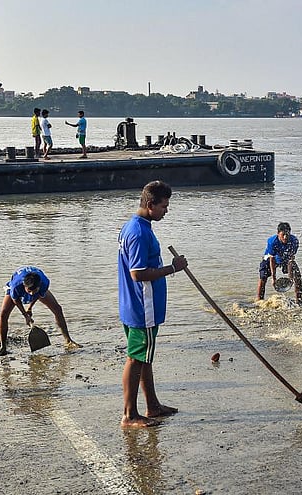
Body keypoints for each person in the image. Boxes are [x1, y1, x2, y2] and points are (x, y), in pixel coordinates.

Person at [118, 180, 188, 427]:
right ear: (150, 204)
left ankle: (152, 406)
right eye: (164, 206)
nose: (166, 211)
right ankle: (129, 415)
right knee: (136, 358)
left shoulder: (136, 227)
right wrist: (173, 268)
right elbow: (137, 273)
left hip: (137, 305)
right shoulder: (138, 232)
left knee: (144, 356)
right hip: (142, 307)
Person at [0, 266, 79, 356]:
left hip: (37, 285)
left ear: (39, 286)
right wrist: (25, 315)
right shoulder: (16, 286)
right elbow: (15, 299)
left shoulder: (44, 283)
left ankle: (68, 340)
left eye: (34, 290)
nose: (31, 293)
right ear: (24, 286)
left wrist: (30, 308)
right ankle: (3, 347)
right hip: (16, 285)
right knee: (3, 314)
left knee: (57, 309)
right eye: (29, 291)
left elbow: (38, 295)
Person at [256, 222, 302, 305]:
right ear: (278, 234)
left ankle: (299, 300)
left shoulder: (294, 241)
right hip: (270, 258)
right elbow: (272, 260)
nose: (285, 237)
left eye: (287, 235)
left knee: (297, 275)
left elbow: (291, 260)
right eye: (283, 235)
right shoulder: (272, 241)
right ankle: (259, 299)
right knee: (263, 276)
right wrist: (273, 278)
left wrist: (290, 278)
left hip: (285, 258)